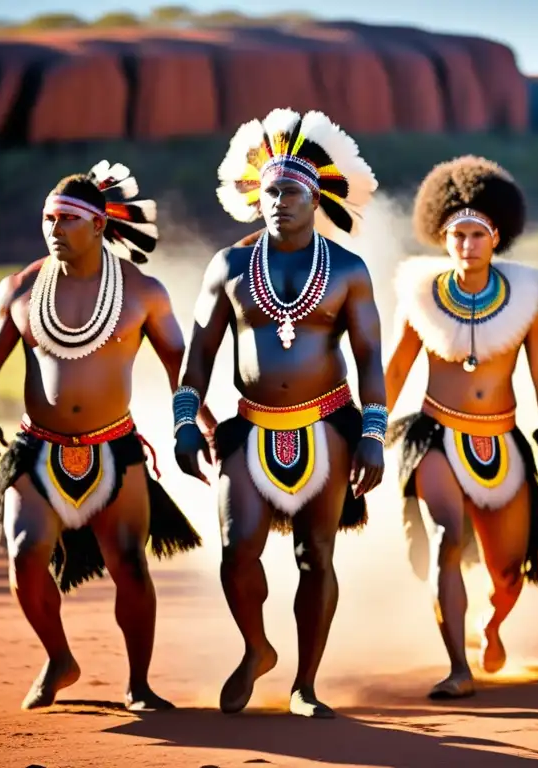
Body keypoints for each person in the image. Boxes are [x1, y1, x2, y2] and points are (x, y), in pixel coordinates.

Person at [0, 161, 204, 711]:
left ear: (98, 226)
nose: (54, 229)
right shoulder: (19, 290)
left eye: (67, 220)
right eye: (48, 219)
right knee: (25, 557)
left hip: (114, 449)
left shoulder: (143, 291)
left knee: (129, 561)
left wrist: (191, 420)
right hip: (36, 449)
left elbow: (181, 367)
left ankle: (139, 683)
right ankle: (58, 658)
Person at [174, 108, 386, 718]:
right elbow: (200, 355)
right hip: (250, 426)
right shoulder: (231, 267)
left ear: (315, 197)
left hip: (328, 426)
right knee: (237, 550)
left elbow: (370, 357)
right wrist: (187, 420)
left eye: (290, 191)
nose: (278, 201)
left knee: (315, 554)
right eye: (268, 191)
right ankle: (256, 647)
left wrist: (373, 433)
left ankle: (306, 685)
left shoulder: (346, 270)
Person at [383, 155, 538, 699]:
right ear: (442, 237)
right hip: (436, 436)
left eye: (477, 234)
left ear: (496, 238)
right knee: (445, 541)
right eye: (457, 234)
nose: (467, 244)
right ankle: (457, 666)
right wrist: (368, 431)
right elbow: (395, 370)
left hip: (504, 440)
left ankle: (492, 625)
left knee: (509, 570)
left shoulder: (526, 298)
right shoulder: (419, 296)